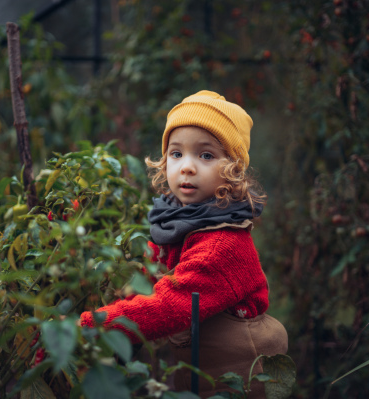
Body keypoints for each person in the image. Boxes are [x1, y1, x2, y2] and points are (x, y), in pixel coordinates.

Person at [80, 90, 288, 398]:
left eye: (205, 155)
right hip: (201, 374)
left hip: (243, 377)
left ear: (232, 171)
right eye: (177, 154)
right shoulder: (179, 223)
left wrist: (88, 326)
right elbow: (147, 280)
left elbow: (168, 305)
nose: (187, 167)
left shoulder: (223, 243)